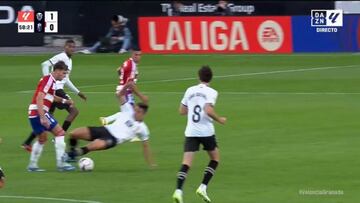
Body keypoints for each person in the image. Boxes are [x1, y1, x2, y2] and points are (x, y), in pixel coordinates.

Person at [67, 82, 156, 168]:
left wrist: (151, 163)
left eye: (138, 111)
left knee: (93, 146)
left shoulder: (142, 128)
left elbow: (145, 146)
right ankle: (72, 156)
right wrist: (140, 95)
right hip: (104, 129)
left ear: (143, 114)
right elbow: (124, 90)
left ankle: (70, 155)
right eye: (135, 109)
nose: (135, 112)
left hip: (112, 139)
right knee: (74, 133)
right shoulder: (128, 110)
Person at [172, 66, 227, 203]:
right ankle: (202, 187)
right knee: (215, 158)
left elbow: (181, 111)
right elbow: (208, 110)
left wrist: (193, 105)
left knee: (186, 163)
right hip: (206, 131)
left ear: (198, 77)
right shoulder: (212, 92)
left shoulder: (189, 90)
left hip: (191, 131)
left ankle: (178, 191)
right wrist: (219, 119)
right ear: (211, 78)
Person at [21, 39, 87, 152]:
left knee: (47, 117)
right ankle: (58, 137)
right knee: (74, 111)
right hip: (56, 90)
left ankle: (27, 142)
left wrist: (78, 92)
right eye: (70, 46)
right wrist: (49, 82)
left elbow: (66, 79)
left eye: (73, 47)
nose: (72, 49)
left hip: (55, 90)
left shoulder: (69, 60)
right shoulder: (61, 56)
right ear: (65, 47)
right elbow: (44, 64)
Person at [27, 61, 76, 172]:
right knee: (60, 133)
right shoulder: (49, 80)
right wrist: (43, 117)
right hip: (39, 112)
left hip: (33, 113)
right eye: (64, 73)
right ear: (57, 71)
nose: (65, 76)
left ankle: (32, 166)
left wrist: (65, 101)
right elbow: (40, 97)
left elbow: (51, 96)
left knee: (42, 139)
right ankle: (61, 164)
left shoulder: (50, 81)